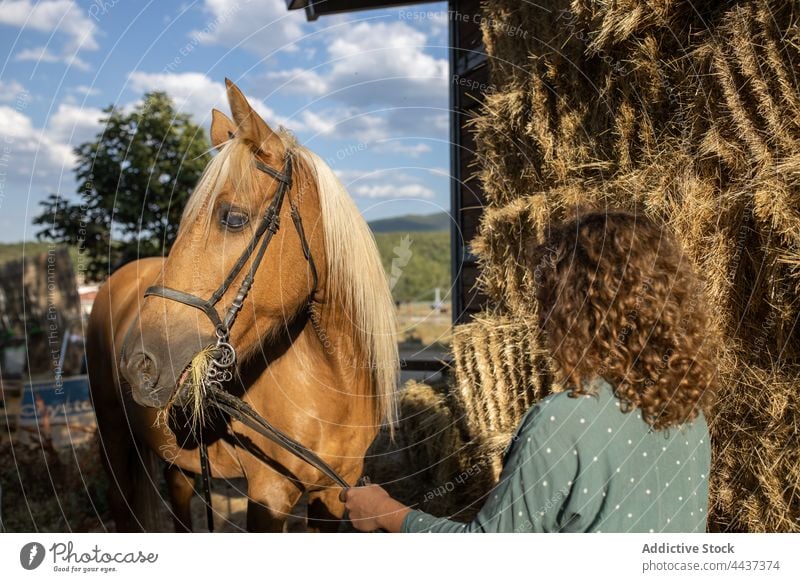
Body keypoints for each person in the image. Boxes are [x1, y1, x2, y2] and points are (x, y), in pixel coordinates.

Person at [345, 209, 718, 533]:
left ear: (575, 310)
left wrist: (387, 513)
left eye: (549, 300)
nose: (542, 319)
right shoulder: (688, 417)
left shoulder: (562, 422)